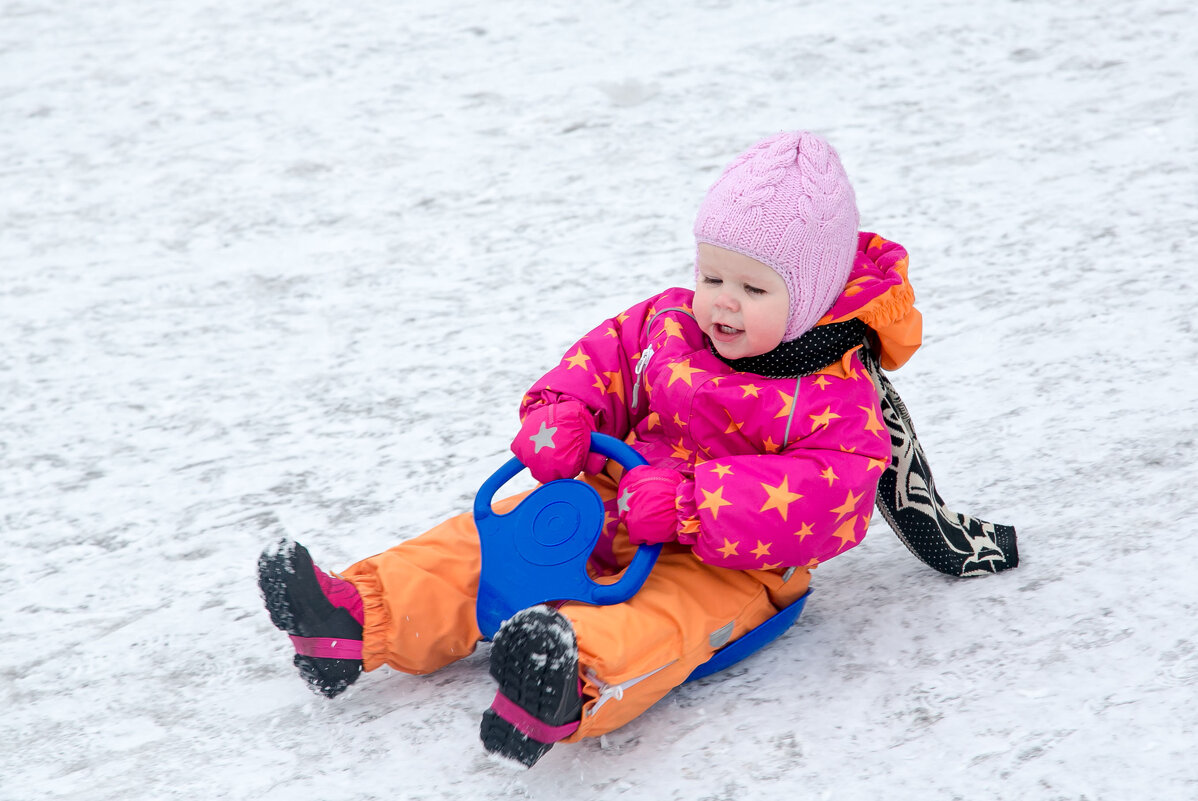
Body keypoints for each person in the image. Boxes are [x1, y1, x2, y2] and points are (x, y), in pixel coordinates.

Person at [257, 130, 1013, 769]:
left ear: (811, 293)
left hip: (728, 559)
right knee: (476, 544)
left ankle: (564, 677)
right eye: (711, 273)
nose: (720, 299)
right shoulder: (669, 322)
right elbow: (604, 360)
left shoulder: (835, 390)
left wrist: (693, 503)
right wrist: (562, 412)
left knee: (663, 616)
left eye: (753, 288)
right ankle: (353, 617)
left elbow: (830, 497)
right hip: (609, 502)